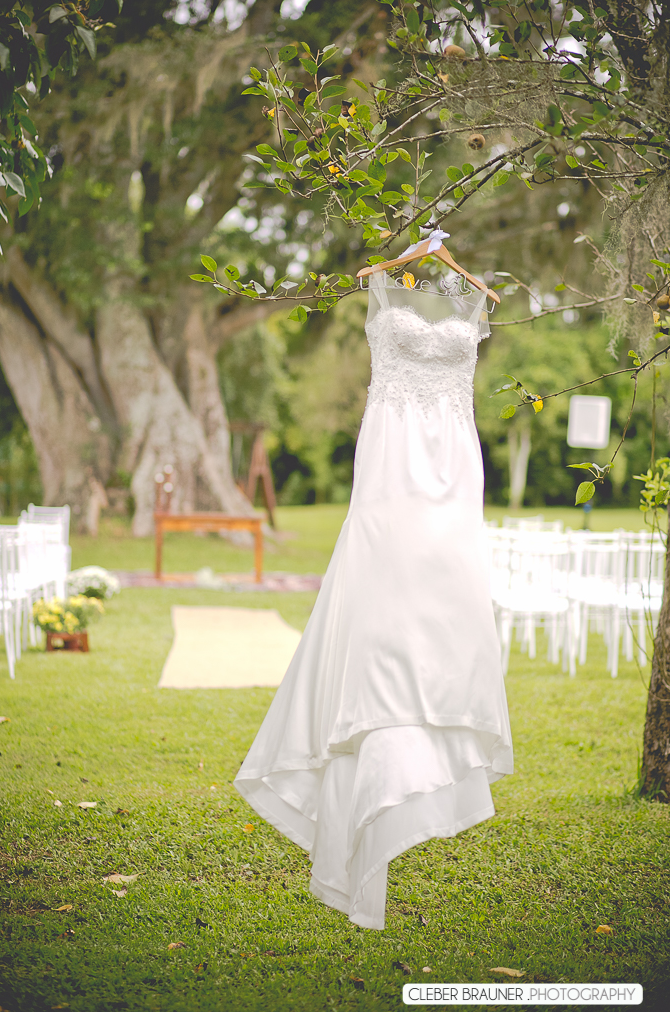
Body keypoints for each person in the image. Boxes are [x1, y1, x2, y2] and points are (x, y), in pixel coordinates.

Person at [235, 244, 513, 930]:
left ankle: (422, 747)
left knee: (442, 614)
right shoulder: (380, 292)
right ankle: (364, 780)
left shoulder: (478, 304)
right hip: (390, 466)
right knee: (376, 614)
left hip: (451, 472)